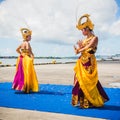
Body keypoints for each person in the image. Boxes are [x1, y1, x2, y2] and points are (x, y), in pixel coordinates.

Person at [72, 14, 109, 108]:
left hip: (89, 61)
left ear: (87, 29)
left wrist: (79, 50)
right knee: (80, 80)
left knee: (89, 81)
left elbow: (88, 48)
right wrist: (79, 47)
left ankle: (91, 100)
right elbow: (83, 49)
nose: (82, 32)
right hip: (81, 61)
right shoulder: (85, 39)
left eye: (82, 30)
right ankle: (82, 100)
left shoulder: (94, 38)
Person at [12, 28, 39, 93]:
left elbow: (17, 50)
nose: (31, 38)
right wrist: (31, 55)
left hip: (20, 58)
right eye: (30, 36)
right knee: (27, 72)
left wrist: (21, 53)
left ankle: (21, 86)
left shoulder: (22, 43)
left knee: (21, 72)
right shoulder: (27, 43)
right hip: (26, 58)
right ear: (26, 37)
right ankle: (26, 87)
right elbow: (28, 50)